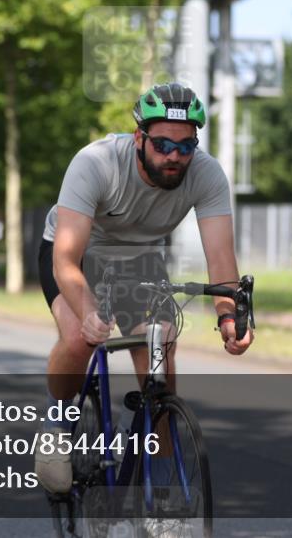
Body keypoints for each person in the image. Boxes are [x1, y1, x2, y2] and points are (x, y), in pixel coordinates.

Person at [34, 83, 254, 494]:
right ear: (140, 138)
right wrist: (88, 312)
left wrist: (229, 314)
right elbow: (65, 259)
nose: (174, 157)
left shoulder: (206, 175)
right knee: (81, 338)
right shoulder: (96, 163)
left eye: (185, 147)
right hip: (78, 254)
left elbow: (221, 258)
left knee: (160, 352)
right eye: (162, 145)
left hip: (138, 259)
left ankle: (162, 493)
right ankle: (58, 419)